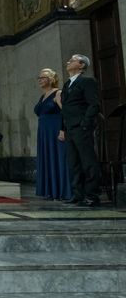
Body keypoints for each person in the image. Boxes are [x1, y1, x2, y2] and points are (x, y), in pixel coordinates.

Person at [58, 54, 101, 207]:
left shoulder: (87, 81)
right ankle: (78, 194)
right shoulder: (67, 84)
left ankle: (92, 195)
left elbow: (94, 104)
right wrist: (63, 128)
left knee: (88, 162)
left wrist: (85, 124)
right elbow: (66, 110)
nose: (68, 61)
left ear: (81, 65)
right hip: (70, 129)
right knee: (73, 163)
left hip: (81, 128)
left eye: (73, 59)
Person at [34, 68, 72, 200]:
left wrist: (63, 129)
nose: (40, 80)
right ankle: (51, 190)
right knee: (48, 158)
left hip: (55, 130)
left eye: (43, 77)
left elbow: (65, 112)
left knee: (58, 158)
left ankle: (62, 191)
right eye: (39, 78)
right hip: (44, 132)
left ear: (51, 79)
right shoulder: (42, 96)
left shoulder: (58, 93)